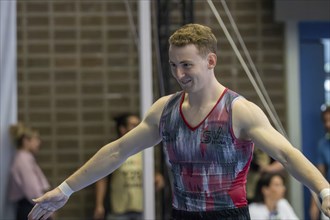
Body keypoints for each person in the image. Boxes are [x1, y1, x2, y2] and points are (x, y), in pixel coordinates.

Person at [28, 23, 330, 220]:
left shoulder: (239, 111)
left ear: (211, 61)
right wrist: (65, 189)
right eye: (174, 65)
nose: (179, 73)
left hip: (228, 214)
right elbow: (117, 151)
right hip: (181, 214)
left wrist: (324, 190)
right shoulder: (166, 110)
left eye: (187, 65)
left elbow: (288, 155)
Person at [93, 113, 165, 220]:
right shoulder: (114, 151)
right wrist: (99, 204)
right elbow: (101, 179)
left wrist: (158, 178)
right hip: (119, 211)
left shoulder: (144, 150)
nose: (138, 129)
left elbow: (151, 174)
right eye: (134, 125)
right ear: (122, 129)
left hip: (142, 209)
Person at [8, 122, 51, 220]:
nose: (38, 143)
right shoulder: (23, 161)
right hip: (31, 207)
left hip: (34, 206)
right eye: (35, 139)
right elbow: (33, 191)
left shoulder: (26, 158)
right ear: (25, 141)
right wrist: (47, 207)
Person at [310, 105, 330, 220]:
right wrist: (314, 205)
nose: (327, 124)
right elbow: (319, 175)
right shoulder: (322, 145)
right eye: (325, 121)